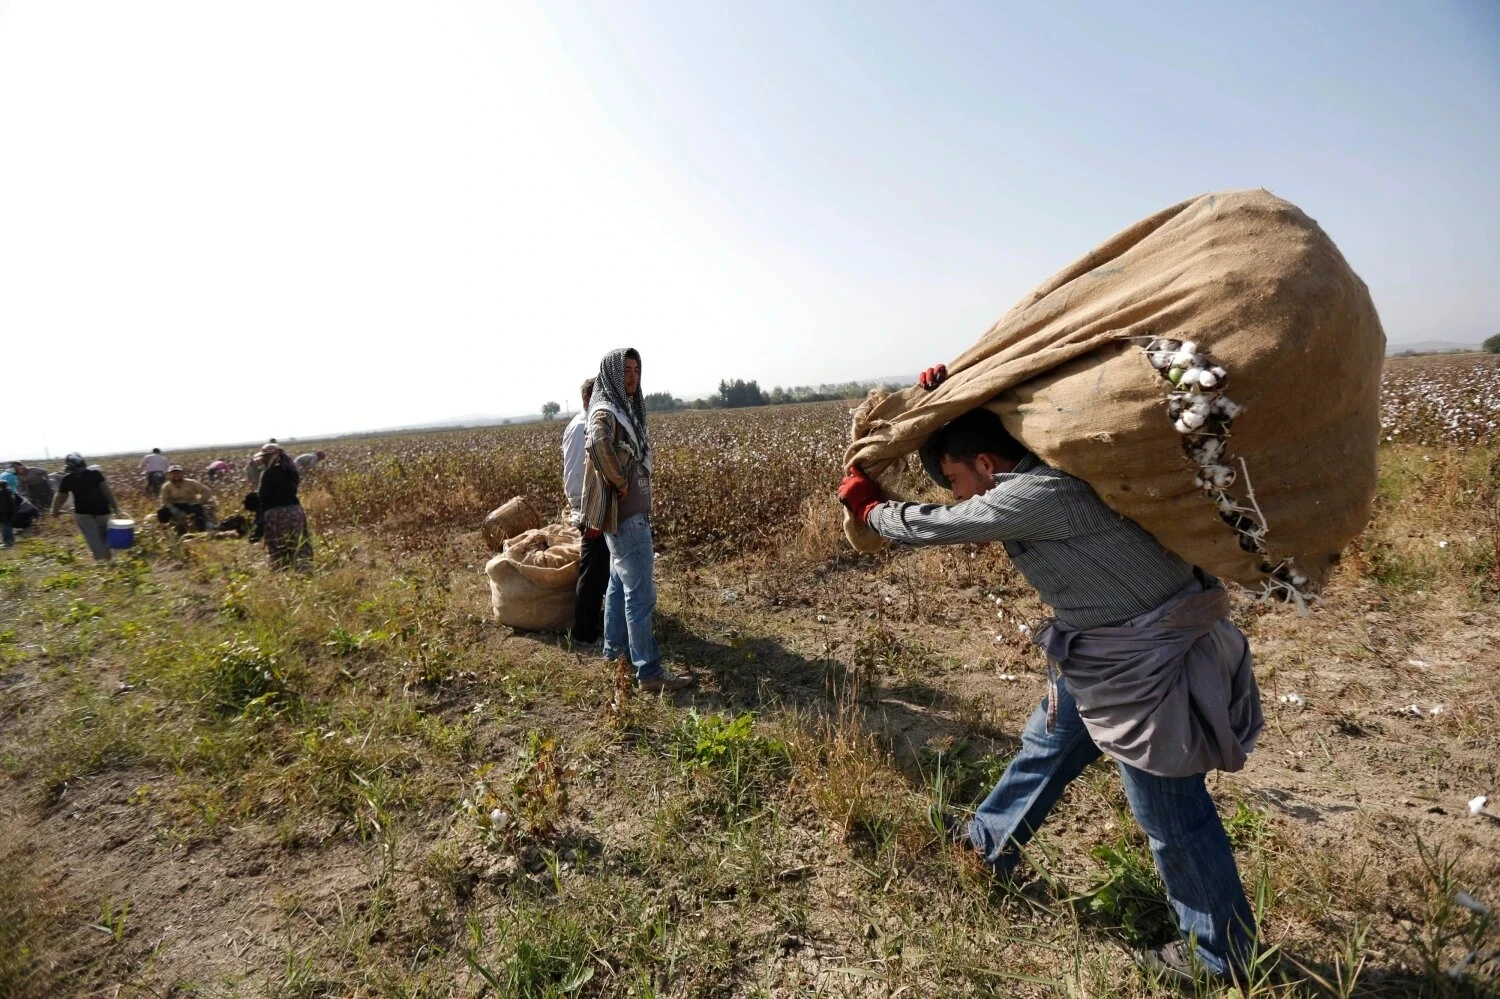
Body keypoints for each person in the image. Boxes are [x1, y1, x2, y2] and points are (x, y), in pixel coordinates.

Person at [838, 371, 1264, 987]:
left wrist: (873, 509)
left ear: (985, 463)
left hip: (1146, 668)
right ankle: (987, 846)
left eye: (956, 481)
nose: (959, 496)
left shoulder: (1040, 493)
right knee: (1049, 744)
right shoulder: (1041, 472)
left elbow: (938, 526)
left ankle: (1223, 960)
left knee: (1172, 815)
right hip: (1102, 653)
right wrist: (954, 392)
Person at [581, 348, 691, 693]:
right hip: (627, 519)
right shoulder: (606, 411)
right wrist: (620, 481)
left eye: (636, 370)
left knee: (618, 585)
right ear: (611, 375)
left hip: (627, 517)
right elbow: (597, 442)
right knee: (640, 594)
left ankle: (616, 655)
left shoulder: (621, 410)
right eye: (625, 371)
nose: (632, 377)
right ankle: (649, 672)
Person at [563, 377, 608, 646]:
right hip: (590, 507)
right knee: (592, 572)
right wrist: (584, 509)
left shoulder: (592, 425)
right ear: (587, 399)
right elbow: (575, 474)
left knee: (601, 568)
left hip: (596, 504)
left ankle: (595, 622)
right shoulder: (582, 427)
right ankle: (584, 632)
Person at [51, 454, 123, 561]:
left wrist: (55, 510)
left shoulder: (68, 478)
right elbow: (107, 492)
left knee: (92, 536)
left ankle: (101, 561)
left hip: (82, 512)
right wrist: (116, 507)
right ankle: (109, 559)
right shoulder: (95, 474)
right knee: (104, 535)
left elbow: (61, 496)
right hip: (102, 510)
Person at [255, 443, 312, 570]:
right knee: (299, 543)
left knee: (278, 546)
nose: (263, 459)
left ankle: (283, 573)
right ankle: (305, 571)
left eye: (265, 456)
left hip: (276, 515)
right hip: (295, 512)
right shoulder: (291, 471)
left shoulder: (268, 474)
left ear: (273, 456)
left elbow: (263, 496)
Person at [158, 465, 215, 532]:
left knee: (198, 511)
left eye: (178, 473)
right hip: (175, 505)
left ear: (182, 474)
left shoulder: (191, 482)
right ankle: (167, 529)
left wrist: (200, 501)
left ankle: (200, 529)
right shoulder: (166, 486)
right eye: (173, 473)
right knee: (162, 512)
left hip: (190, 503)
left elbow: (206, 491)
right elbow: (164, 499)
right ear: (169, 475)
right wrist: (171, 507)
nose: (176, 475)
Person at [0, 480, 18, 547]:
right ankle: (9, 540)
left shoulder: (3, 494)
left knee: (5, 528)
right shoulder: (8, 493)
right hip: (8, 514)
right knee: (7, 527)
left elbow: (3, 506)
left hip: (4, 514)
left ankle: (8, 541)